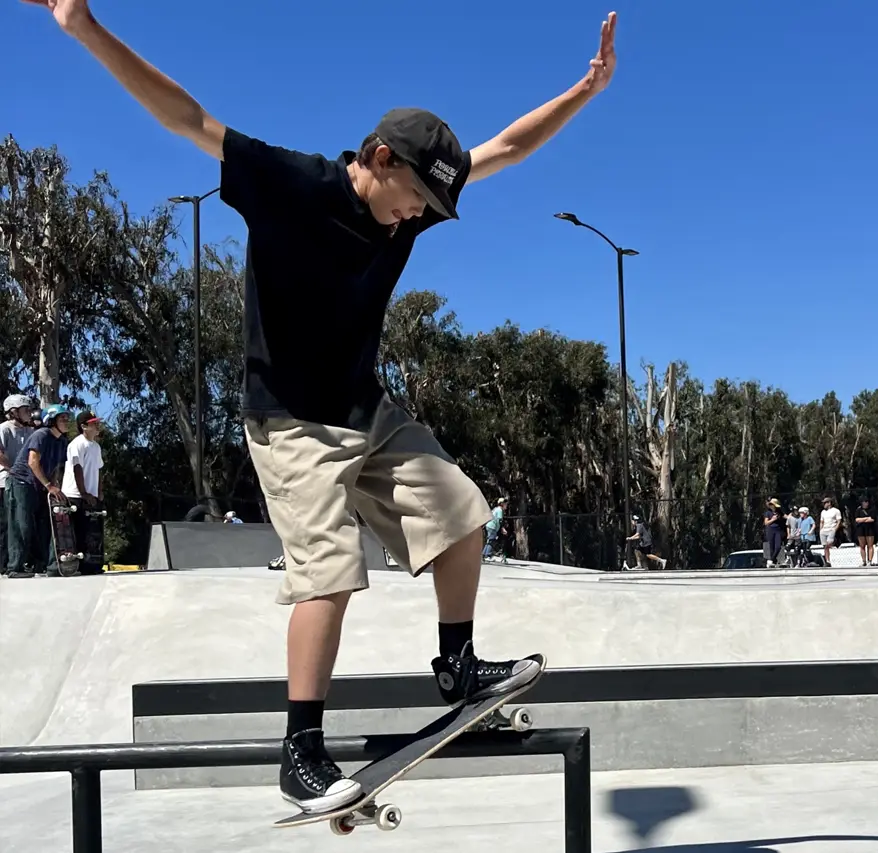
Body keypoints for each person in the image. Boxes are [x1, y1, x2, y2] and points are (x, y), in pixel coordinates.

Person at [25, 0, 619, 813]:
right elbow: (186, 115)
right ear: (377, 158)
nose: (416, 219)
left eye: (430, 212)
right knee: (329, 570)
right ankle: (300, 745)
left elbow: (506, 148)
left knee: (463, 512)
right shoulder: (290, 184)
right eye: (413, 199)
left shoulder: (408, 210)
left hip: (364, 409)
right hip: (290, 419)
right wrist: (83, 26)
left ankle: (456, 660)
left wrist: (584, 91)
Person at [6, 405, 72, 578]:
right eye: (62, 418)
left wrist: (55, 486)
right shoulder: (41, 435)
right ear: (51, 421)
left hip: (40, 485)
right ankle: (15, 567)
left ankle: (52, 565)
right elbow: (33, 462)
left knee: (48, 525)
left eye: (67, 418)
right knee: (22, 526)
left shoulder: (62, 442)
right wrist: (49, 485)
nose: (67, 422)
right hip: (21, 482)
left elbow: (57, 467)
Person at [62, 411, 106, 574]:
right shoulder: (77, 444)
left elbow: (99, 470)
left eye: (97, 423)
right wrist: (83, 492)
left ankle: (91, 564)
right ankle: (77, 565)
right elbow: (77, 468)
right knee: (78, 530)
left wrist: (99, 491)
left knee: (92, 531)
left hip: (91, 495)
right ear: (83, 426)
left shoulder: (96, 446)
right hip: (76, 494)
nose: (97, 426)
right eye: (93, 423)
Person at [0, 394, 39, 573]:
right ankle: (6, 563)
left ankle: (26, 560)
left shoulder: (29, 431)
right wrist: (13, 468)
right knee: (8, 524)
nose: (29, 413)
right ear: (13, 412)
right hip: (6, 480)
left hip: (25, 482)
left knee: (25, 522)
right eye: (25, 410)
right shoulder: (5, 428)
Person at [853, 498, 878, 566]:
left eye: (866, 502)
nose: (865, 503)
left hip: (870, 529)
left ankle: (870, 561)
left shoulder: (872, 509)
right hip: (861, 529)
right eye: (864, 502)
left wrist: (863, 520)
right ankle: (864, 561)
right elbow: (857, 519)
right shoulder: (859, 510)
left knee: (870, 545)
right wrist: (866, 518)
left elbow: (872, 519)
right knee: (862, 546)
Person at [819, 496, 842, 566]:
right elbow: (821, 521)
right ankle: (827, 561)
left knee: (829, 543)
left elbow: (839, 521)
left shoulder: (836, 511)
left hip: (831, 529)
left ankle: (834, 545)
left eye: (825, 503)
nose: (824, 505)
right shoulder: (823, 512)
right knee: (825, 546)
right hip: (824, 530)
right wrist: (821, 529)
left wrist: (835, 529)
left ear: (829, 503)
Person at [762, 498, 785, 567]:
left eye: (773, 504)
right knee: (771, 547)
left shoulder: (779, 511)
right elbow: (766, 523)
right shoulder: (768, 513)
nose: (771, 506)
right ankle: (773, 562)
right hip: (770, 530)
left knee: (778, 546)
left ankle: (771, 559)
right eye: (771, 504)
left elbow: (785, 516)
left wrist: (791, 516)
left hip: (778, 530)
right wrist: (772, 519)